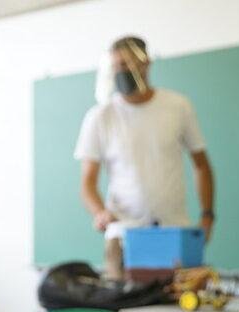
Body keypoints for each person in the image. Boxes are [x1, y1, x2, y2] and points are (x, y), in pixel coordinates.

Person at [75, 36, 215, 280]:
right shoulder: (100, 116)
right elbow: (87, 182)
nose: (122, 71)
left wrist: (207, 216)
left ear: (146, 63)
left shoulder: (177, 106)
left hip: (174, 233)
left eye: (128, 64)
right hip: (124, 236)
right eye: (116, 65)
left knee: (175, 308)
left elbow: (201, 165)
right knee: (124, 309)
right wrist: (100, 213)